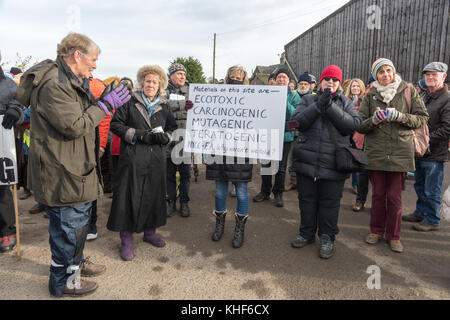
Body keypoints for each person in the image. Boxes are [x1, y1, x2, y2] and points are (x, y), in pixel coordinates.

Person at [15, 33, 131, 297]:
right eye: (93, 59)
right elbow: (74, 125)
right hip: (62, 172)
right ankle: (64, 280)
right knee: (68, 230)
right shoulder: (55, 85)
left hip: (71, 166)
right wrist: (104, 106)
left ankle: (75, 264)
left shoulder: (68, 79)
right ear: (77, 55)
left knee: (75, 226)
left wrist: (98, 101)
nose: (95, 65)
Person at [357, 58, 428, 253]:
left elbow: (422, 117)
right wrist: (374, 120)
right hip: (377, 153)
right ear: (375, 75)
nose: (386, 74)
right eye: (381, 72)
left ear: (393, 71)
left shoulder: (408, 90)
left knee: (395, 197)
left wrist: (401, 117)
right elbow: (360, 124)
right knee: (378, 195)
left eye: (388, 70)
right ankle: (376, 231)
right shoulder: (370, 94)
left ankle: (394, 236)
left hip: (400, 152)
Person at [290, 65, 361, 259]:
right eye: (327, 78)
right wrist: (317, 106)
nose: (331, 82)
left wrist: (329, 107)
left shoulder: (345, 102)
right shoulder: (307, 99)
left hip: (333, 164)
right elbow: (296, 123)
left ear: (339, 83)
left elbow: (352, 126)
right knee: (306, 201)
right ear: (321, 81)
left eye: (335, 80)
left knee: (330, 204)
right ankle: (306, 233)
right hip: (306, 160)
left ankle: (327, 237)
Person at [107, 65, 177, 261]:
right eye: (147, 81)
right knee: (128, 197)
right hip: (132, 158)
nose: (151, 85)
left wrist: (167, 138)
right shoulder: (129, 101)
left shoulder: (164, 105)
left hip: (155, 159)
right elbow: (116, 124)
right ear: (141, 82)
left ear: (160, 85)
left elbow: (172, 126)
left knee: (153, 196)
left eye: (155, 82)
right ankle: (127, 239)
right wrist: (137, 135)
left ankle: (149, 233)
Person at [205, 65, 253, 248]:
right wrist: (192, 107)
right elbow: (204, 114)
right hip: (219, 150)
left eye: (239, 78)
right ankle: (219, 225)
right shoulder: (217, 96)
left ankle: (239, 229)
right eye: (232, 77)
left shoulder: (252, 98)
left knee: (241, 192)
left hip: (241, 151)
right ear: (227, 78)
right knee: (219, 191)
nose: (235, 80)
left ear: (244, 80)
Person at [402, 62, 450, 232]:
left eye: (434, 75)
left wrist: (426, 141)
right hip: (420, 151)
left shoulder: (447, 99)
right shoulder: (425, 96)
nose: (430, 77)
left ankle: (432, 219)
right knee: (420, 185)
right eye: (427, 75)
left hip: (434, 153)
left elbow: (447, 128)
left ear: (443, 77)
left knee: (432, 189)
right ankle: (420, 212)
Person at [253, 68, 300, 207]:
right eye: (279, 77)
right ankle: (265, 191)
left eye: (284, 77)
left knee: (281, 167)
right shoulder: (267, 93)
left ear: (289, 81)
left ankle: (278, 193)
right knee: (266, 164)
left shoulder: (295, 96)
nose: (281, 79)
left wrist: (282, 99)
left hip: (285, 136)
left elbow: (295, 115)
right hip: (268, 134)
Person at [0, 62, 25, 253]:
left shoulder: (9, 86)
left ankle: (7, 230)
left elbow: (22, 110)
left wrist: (15, 112)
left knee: (3, 189)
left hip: (4, 143)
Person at [165, 64, 192, 217]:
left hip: (185, 139)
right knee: (169, 174)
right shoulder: (163, 90)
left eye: (184, 73)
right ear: (171, 76)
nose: (183, 76)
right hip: (168, 140)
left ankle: (184, 202)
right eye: (179, 73)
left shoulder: (192, 91)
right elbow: (162, 104)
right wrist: (182, 105)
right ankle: (170, 201)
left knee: (185, 175)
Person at [286, 71, 315, 192]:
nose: (303, 86)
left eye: (305, 84)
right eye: (301, 83)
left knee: (306, 158)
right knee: (292, 157)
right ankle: (293, 181)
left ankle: (305, 183)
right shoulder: (292, 95)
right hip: (293, 132)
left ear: (310, 85)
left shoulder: (314, 97)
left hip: (308, 133)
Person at [352, 76, 374, 212]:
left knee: (379, 176)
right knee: (363, 173)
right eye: (372, 83)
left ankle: (378, 205)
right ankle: (360, 200)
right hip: (364, 139)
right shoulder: (363, 98)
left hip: (379, 142)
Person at [344, 79, 366, 196]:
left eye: (358, 86)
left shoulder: (365, 99)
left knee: (358, 159)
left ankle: (356, 185)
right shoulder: (346, 99)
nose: (355, 88)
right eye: (353, 86)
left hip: (360, 134)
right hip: (348, 133)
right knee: (346, 158)